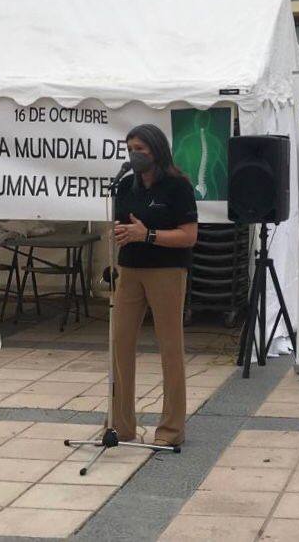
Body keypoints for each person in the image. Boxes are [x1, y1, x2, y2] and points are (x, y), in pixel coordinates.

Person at [111, 124, 198, 447]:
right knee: (119, 344)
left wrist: (147, 234)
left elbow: (189, 236)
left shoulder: (178, 186)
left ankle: (171, 429)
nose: (134, 154)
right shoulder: (125, 186)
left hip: (166, 271)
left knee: (169, 347)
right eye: (130, 148)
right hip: (130, 269)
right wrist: (120, 235)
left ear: (156, 151)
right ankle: (121, 425)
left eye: (141, 149)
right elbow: (123, 225)